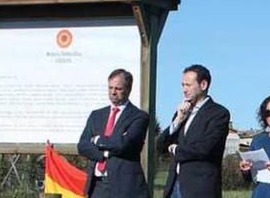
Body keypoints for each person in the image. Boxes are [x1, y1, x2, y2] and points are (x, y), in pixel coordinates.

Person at [157, 64, 231, 198]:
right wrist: (178, 120)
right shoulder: (182, 112)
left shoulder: (218, 114)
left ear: (203, 85)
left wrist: (175, 149)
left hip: (200, 188)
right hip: (174, 187)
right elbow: (160, 145)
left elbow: (204, 149)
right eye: (182, 85)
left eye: (188, 85)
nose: (184, 90)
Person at [77, 68, 150, 198]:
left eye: (118, 88)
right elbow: (82, 146)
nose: (113, 92)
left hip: (124, 187)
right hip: (97, 186)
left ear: (128, 89)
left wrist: (98, 140)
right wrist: (105, 153)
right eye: (110, 88)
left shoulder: (139, 117)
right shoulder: (96, 115)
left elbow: (124, 144)